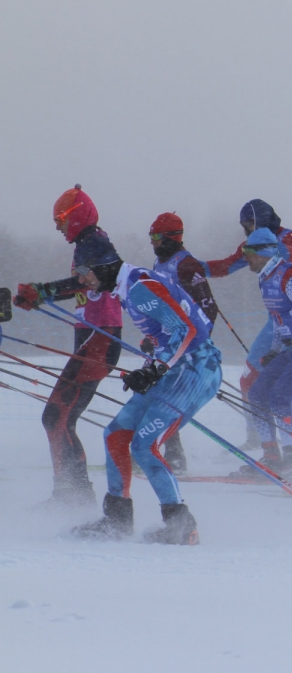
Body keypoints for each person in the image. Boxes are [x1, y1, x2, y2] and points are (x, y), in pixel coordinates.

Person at [70, 233, 221, 544]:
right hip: (175, 367)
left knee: (144, 444)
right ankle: (117, 521)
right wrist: (154, 357)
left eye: (84, 270)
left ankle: (181, 526)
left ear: (104, 266)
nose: (83, 279)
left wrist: (156, 367)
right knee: (115, 434)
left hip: (195, 370)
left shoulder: (140, 288)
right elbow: (180, 324)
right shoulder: (129, 287)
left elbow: (191, 328)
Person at [14, 186, 123, 507]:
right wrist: (38, 297)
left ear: (76, 215)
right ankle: (73, 493)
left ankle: (71, 495)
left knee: (55, 417)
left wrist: (43, 291)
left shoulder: (96, 242)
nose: (58, 227)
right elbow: (82, 288)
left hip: (100, 341)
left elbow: (91, 280)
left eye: (61, 219)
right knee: (61, 418)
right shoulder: (87, 244)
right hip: (92, 340)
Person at [204, 199, 292, 450]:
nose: (246, 232)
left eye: (248, 225)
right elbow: (226, 265)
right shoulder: (254, 244)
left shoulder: (288, 239)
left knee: (279, 386)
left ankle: (287, 444)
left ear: (261, 223)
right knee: (253, 382)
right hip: (276, 321)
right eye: (243, 227)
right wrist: (193, 269)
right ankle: (264, 439)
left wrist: (264, 251)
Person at [229, 228, 292, 481]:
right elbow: (278, 318)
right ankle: (272, 456)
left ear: (263, 252)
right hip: (289, 348)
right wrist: (274, 350)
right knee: (256, 394)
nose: (245, 258)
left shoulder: (290, 277)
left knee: (279, 396)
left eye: (248, 252)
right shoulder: (265, 277)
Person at [148, 212, 220, 475]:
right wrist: (152, 335)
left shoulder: (187, 265)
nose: (153, 242)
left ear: (170, 237)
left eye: (156, 236)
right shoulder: (159, 264)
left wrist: (193, 345)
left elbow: (208, 309)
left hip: (186, 347)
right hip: (166, 343)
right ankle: (166, 450)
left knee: (170, 397)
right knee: (152, 393)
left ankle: (172, 456)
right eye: (151, 237)